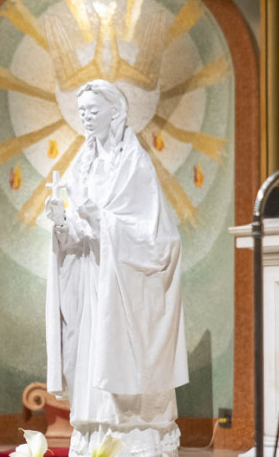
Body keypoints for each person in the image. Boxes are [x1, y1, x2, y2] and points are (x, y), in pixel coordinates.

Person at [44, 80, 188, 457]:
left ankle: (133, 438)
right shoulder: (81, 164)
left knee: (123, 363)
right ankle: (95, 438)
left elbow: (157, 239)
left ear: (115, 111)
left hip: (125, 285)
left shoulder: (134, 164)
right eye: (82, 112)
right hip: (92, 280)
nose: (86, 118)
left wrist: (102, 221)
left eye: (93, 110)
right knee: (90, 363)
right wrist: (62, 224)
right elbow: (79, 232)